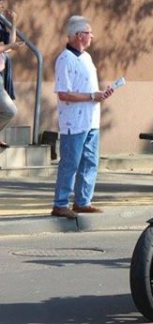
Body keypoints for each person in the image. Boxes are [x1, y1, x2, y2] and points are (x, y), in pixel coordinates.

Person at [51, 16, 116, 219]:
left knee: (90, 161)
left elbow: (88, 89)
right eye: (89, 33)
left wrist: (100, 95)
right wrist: (91, 96)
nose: (92, 36)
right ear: (79, 35)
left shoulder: (86, 57)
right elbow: (63, 93)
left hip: (91, 119)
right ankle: (60, 204)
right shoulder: (65, 59)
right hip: (74, 122)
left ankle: (83, 201)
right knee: (70, 163)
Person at [0, 0, 24, 149]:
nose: (2, 8)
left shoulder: (1, 23)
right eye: (0, 5)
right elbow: (8, 46)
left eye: (2, 5)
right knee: (9, 110)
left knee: (6, 110)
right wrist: (10, 46)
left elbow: (10, 44)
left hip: (1, 74)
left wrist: (14, 22)